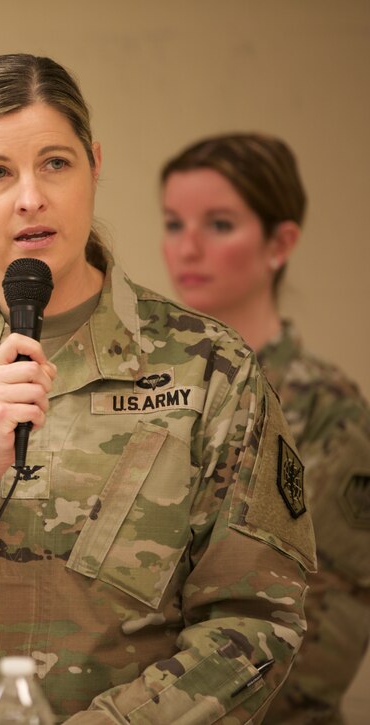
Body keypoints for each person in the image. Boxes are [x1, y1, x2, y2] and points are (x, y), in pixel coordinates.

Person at [0, 54, 317, 724]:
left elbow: (257, 625)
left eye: (55, 163)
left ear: (94, 165)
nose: (30, 198)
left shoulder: (212, 370)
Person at [160, 132, 370, 723]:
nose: (188, 248)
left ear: (280, 243)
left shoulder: (326, 409)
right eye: (174, 223)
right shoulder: (152, 393)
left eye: (220, 225)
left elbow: (321, 636)